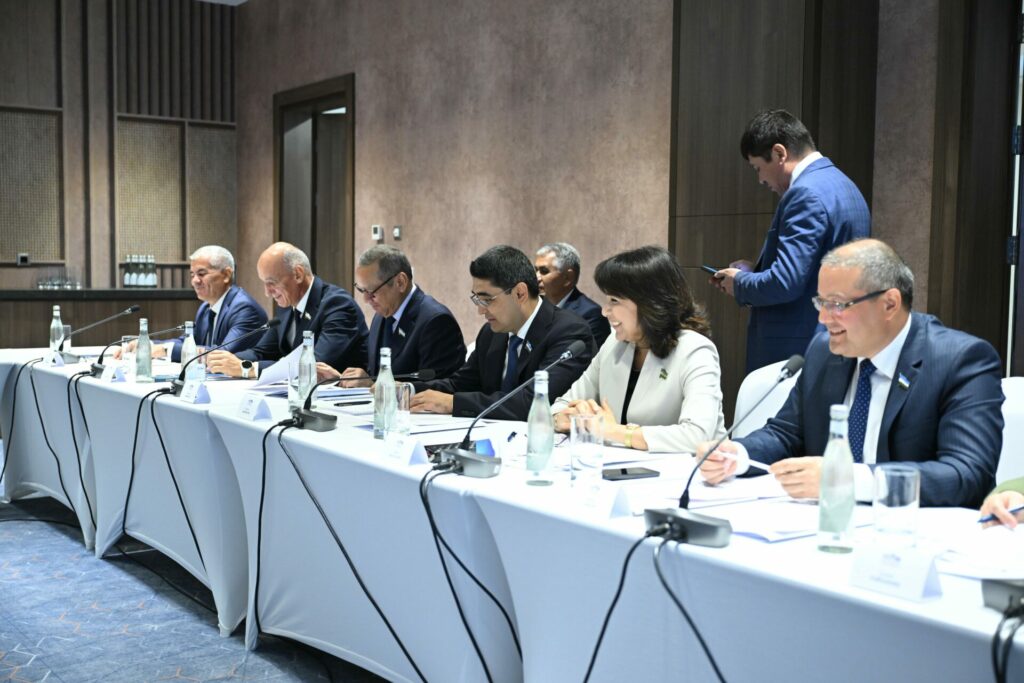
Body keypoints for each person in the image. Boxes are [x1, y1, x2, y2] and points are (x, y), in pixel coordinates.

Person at [699, 239, 1003, 508]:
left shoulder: (960, 360)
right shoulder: (824, 351)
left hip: (917, 534)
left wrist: (847, 479)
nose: (823, 318)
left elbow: (966, 473)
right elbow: (787, 434)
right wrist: (736, 454)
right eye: (821, 302)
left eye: (837, 304)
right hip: (824, 526)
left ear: (889, 304)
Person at [711, 109, 870, 372]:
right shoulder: (845, 185)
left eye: (758, 168)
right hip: (837, 340)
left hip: (799, 352)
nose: (760, 180)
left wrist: (739, 283)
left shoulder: (805, 194)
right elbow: (812, 271)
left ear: (779, 153)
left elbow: (786, 282)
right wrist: (756, 271)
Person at [552, 246, 725, 452]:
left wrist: (612, 431)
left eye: (614, 301)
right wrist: (564, 417)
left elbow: (696, 436)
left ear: (650, 304)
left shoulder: (695, 351)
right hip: (621, 465)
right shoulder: (614, 344)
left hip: (686, 469)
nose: (604, 311)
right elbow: (561, 405)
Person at [411, 245, 594, 420]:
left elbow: (534, 402)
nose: (481, 311)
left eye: (487, 300)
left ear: (520, 293)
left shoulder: (569, 332)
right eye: (477, 300)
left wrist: (454, 403)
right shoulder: (491, 333)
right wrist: (407, 390)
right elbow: (460, 384)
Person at [205, 242, 368, 378]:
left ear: (298, 274)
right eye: (264, 283)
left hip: (342, 398)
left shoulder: (337, 305)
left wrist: (248, 368)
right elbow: (261, 352)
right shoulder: (287, 307)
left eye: (271, 283)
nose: (267, 293)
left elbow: (313, 366)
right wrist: (225, 360)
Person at [319, 245, 466, 385]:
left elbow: (437, 390)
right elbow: (375, 376)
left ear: (400, 282)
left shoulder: (436, 322)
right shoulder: (381, 317)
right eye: (362, 290)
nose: (366, 299)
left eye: (372, 291)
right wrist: (340, 379)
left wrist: (372, 385)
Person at [114, 246, 267, 361]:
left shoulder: (244, 309)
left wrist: (166, 350)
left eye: (201, 274)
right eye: (192, 274)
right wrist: (149, 345)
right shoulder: (205, 308)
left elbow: (222, 353)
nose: (195, 281)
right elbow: (187, 341)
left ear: (226, 275)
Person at [535, 242, 611, 347]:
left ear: (568, 278)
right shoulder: (535, 306)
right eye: (536, 270)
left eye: (544, 271)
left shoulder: (590, 314)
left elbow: (580, 356)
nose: (536, 277)